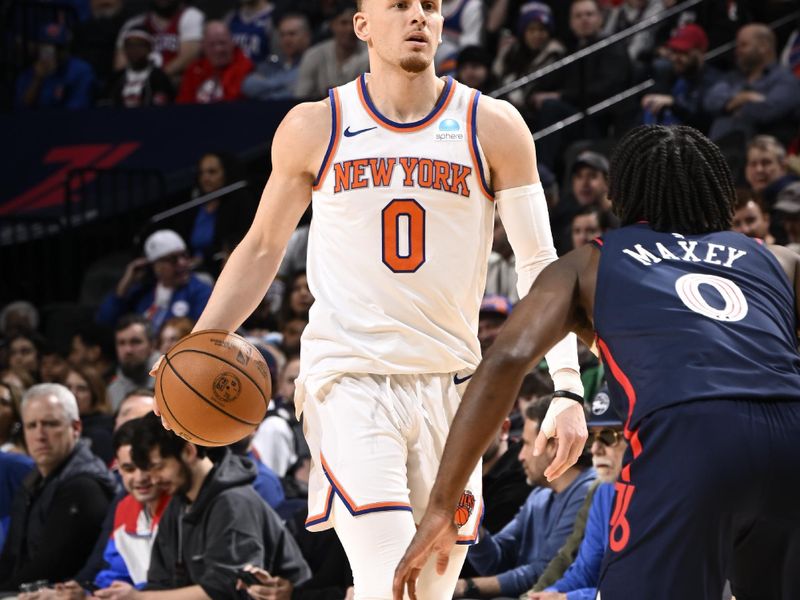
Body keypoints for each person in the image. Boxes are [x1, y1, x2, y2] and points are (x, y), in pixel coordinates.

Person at [152, 1, 582, 598]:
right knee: (387, 579)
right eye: (399, 6)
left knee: (425, 594)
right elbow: (260, 249)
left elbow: (541, 265)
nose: (417, 18)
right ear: (362, 27)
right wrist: (198, 343)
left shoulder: (494, 125)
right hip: (349, 380)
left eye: (429, 6)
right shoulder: (316, 125)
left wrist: (566, 386)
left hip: (454, 390)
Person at [394, 125, 800, 600]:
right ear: (717, 193)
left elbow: (506, 359)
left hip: (689, 435)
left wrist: (443, 502)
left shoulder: (590, 263)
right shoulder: (778, 259)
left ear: (621, 195)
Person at [126, 413, 310, 597]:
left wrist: (138, 597)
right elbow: (159, 582)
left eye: (159, 467)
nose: (154, 479)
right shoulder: (179, 502)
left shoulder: (234, 502)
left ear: (189, 452)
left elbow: (226, 592)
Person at [454, 398, 594, 598]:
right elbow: (495, 560)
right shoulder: (540, 494)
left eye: (526, 444)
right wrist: (470, 520)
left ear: (554, 446)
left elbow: (544, 573)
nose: (520, 456)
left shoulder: (588, 491)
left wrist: (464, 587)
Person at [0, 384, 117, 591]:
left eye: (51, 424)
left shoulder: (84, 486)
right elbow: (11, 558)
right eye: (31, 426)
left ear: (76, 428)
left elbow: (50, 567)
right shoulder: (32, 481)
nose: (40, 435)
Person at [527, 387, 628, 598]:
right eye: (594, 437)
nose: (595, 449)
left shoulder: (661, 495)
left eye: (608, 436)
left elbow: (641, 586)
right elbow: (585, 569)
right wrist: (549, 593)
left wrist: (569, 598)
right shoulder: (605, 491)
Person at [96, 229, 213, 332]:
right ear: (155, 266)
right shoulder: (142, 293)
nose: (182, 263)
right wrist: (125, 285)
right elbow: (104, 323)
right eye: (173, 259)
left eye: (184, 256)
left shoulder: (200, 292)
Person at [704, 23, 800, 144]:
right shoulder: (732, 78)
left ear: (764, 46)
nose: (737, 51)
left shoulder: (785, 79)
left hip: (756, 155)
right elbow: (710, 101)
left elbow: (767, 112)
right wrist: (746, 97)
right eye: (737, 46)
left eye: (743, 45)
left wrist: (730, 105)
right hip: (716, 154)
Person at [640, 23, 721, 131]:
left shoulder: (713, 81)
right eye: (674, 51)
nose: (676, 58)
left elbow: (704, 121)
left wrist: (674, 104)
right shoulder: (676, 76)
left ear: (700, 52)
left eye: (683, 52)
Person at [14, 23, 95, 110]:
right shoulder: (30, 73)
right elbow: (20, 110)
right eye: (48, 47)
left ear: (67, 48)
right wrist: (37, 79)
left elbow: (77, 109)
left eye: (58, 48)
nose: (54, 53)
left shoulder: (81, 71)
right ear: (39, 47)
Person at [241, 11, 313, 101]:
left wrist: (265, 90)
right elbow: (248, 86)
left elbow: (294, 96)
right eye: (282, 35)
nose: (286, 40)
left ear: (307, 36)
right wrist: (284, 83)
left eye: (292, 34)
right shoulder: (272, 62)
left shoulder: (313, 64)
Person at [177, 20, 254, 104]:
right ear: (203, 46)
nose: (218, 49)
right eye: (212, 44)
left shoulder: (245, 67)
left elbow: (234, 103)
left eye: (222, 43)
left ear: (232, 42)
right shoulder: (194, 69)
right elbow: (183, 104)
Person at [106, 25, 175, 107]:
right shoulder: (116, 78)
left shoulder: (159, 77)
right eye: (130, 46)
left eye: (140, 45)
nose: (134, 50)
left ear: (149, 49)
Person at [107, 315, 160, 410]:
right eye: (121, 343)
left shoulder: (171, 377)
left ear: (152, 345)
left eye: (135, 342)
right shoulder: (112, 391)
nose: (128, 350)